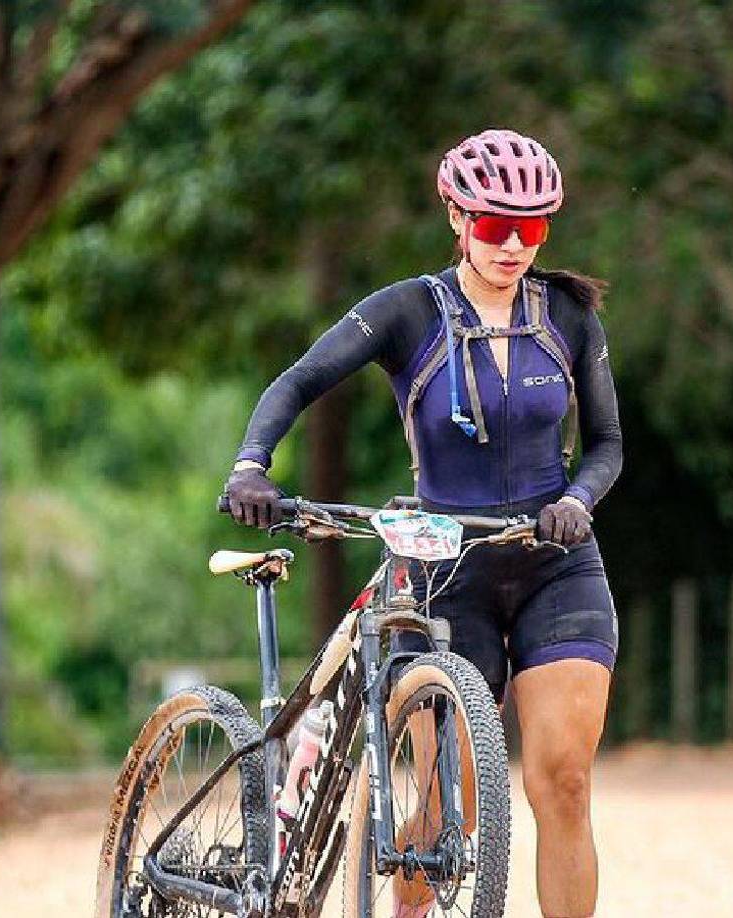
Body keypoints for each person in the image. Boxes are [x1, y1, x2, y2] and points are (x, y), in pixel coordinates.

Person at [225, 128, 622, 918]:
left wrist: (577, 501)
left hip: (554, 561)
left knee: (565, 782)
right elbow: (299, 381)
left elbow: (607, 443)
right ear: (456, 217)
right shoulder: (407, 311)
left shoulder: (567, 316)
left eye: (532, 229)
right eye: (495, 226)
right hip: (443, 571)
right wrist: (250, 466)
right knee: (449, 810)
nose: (513, 246)